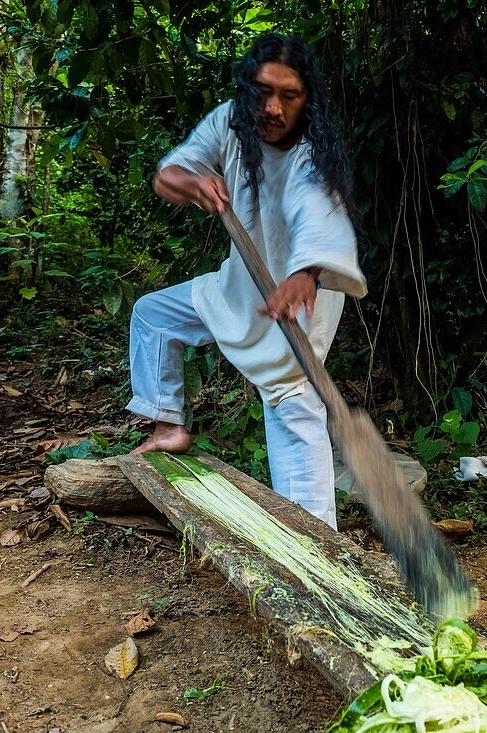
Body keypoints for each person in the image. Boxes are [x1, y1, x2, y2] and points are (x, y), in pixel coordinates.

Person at [126, 34, 366, 529]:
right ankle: (169, 425)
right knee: (154, 316)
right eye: (262, 91)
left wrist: (305, 273)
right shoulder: (229, 123)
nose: (272, 107)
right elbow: (165, 177)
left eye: (289, 96)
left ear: (307, 101)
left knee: (293, 404)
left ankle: (317, 547)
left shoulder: (313, 156)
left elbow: (319, 218)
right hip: (240, 287)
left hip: (297, 305)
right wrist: (192, 182)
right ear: (246, 89)